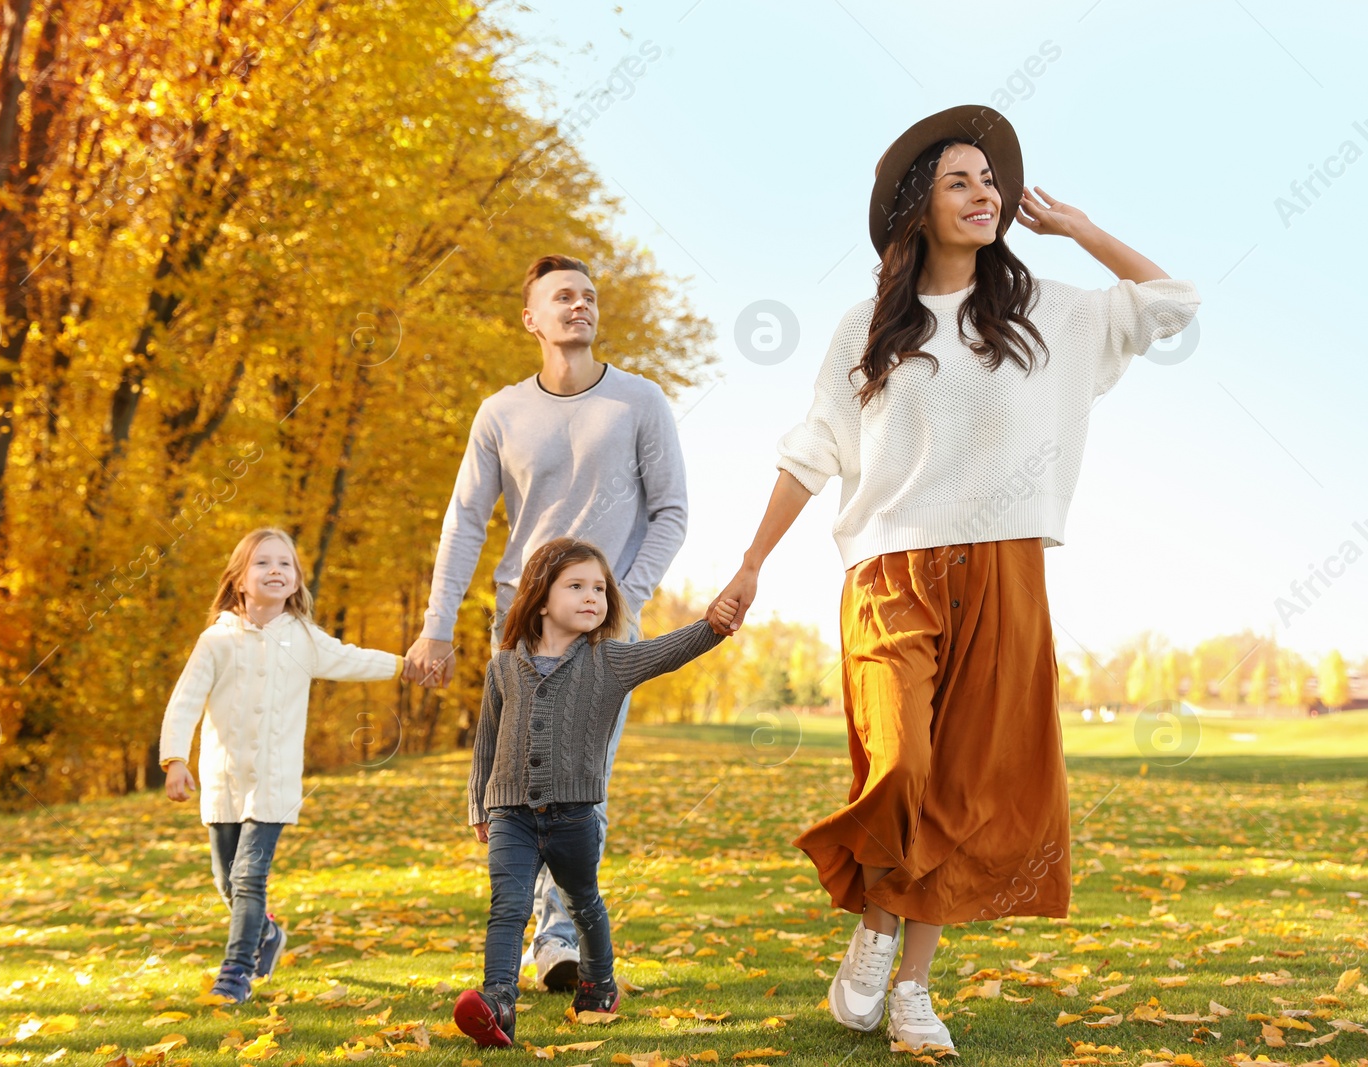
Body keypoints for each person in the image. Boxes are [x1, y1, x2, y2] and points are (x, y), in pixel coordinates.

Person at [705, 104, 1200, 1052]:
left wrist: (1083, 230)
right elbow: (813, 448)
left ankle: (912, 988)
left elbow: (1174, 301)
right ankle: (878, 921)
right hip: (891, 570)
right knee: (902, 765)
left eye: (991, 180)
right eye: (959, 180)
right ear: (916, 209)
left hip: (1007, 568)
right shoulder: (869, 326)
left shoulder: (1047, 311)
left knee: (965, 785)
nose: (984, 194)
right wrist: (751, 560)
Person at [404, 254, 689, 989]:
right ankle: (547, 928)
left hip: (602, 630)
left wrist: (620, 598)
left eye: (589, 296)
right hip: (519, 626)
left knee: (582, 780)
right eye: (563, 296)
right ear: (530, 316)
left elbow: (670, 512)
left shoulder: (639, 402)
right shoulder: (501, 412)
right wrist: (438, 624)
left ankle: (558, 931)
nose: (580, 305)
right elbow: (465, 519)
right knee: (514, 782)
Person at [455, 537, 736, 1047]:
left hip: (575, 817)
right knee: (508, 905)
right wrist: (481, 804)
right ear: (541, 597)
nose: (592, 597)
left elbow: (669, 652)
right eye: (576, 586)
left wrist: (713, 625)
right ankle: (499, 1001)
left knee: (582, 901)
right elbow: (487, 741)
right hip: (511, 813)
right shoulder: (502, 667)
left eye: (600, 589)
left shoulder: (609, 662)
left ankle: (598, 986)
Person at [158, 527, 408, 1004]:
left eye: (285, 564)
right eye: (262, 563)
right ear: (238, 579)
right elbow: (185, 701)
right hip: (222, 782)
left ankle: (235, 972)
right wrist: (175, 759)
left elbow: (352, 659)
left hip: (273, 785)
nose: (275, 570)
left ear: (295, 582)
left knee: (249, 877)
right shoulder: (216, 641)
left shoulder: (304, 640)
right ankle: (267, 934)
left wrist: (407, 664)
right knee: (226, 879)